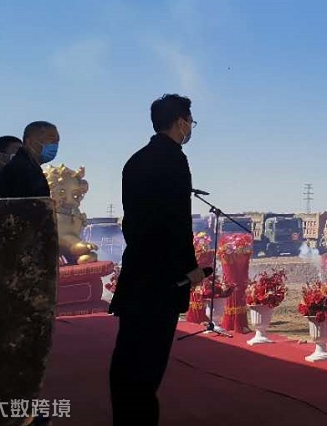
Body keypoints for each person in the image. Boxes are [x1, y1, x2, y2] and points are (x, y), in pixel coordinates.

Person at [109, 94, 205, 426]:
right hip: (162, 279)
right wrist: (189, 266)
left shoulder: (135, 161)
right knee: (148, 361)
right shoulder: (174, 159)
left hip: (137, 270)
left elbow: (132, 222)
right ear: (180, 122)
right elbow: (177, 220)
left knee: (128, 354)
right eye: (190, 121)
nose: (190, 127)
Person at [0, 122, 59, 198]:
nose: (55, 145)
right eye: (51, 140)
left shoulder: (29, 167)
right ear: (30, 142)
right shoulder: (22, 169)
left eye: (57, 141)